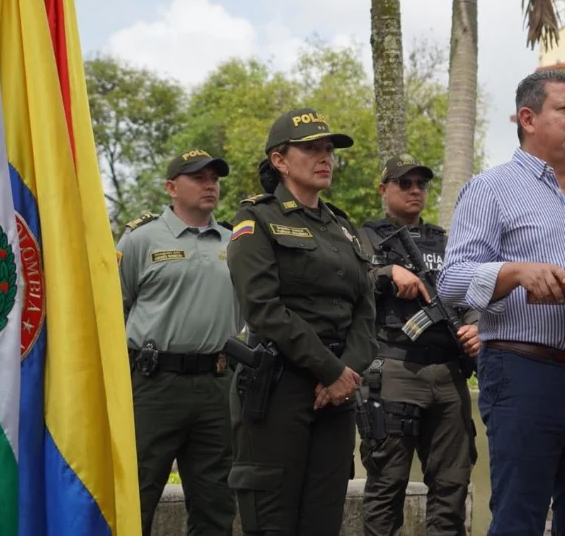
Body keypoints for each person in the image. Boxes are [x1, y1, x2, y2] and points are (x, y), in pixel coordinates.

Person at [439, 70, 565, 535]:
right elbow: (452, 281)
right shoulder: (491, 188)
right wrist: (514, 272)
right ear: (528, 118)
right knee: (519, 519)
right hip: (526, 374)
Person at [226, 108, 377, 536]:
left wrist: (346, 372)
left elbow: (366, 309)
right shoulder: (257, 218)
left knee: (323, 519)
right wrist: (329, 370)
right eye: (311, 149)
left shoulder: (344, 228)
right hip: (280, 386)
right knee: (273, 519)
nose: (325, 157)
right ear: (279, 160)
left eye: (328, 149)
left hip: (337, 392)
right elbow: (262, 307)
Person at [116, 149, 240, 536]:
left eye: (214, 179)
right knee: (136, 496)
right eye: (198, 178)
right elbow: (113, 308)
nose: (210, 186)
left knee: (215, 503)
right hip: (155, 384)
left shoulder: (235, 242)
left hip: (217, 384)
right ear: (171, 187)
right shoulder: (141, 238)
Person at [359, 155, 481, 536]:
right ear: (384, 190)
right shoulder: (364, 237)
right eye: (404, 183)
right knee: (387, 485)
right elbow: (342, 278)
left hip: (447, 373)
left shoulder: (446, 241)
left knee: (451, 488)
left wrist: (477, 328)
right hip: (395, 369)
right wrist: (385, 272)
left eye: (421, 184)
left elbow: (469, 292)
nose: (415, 190)